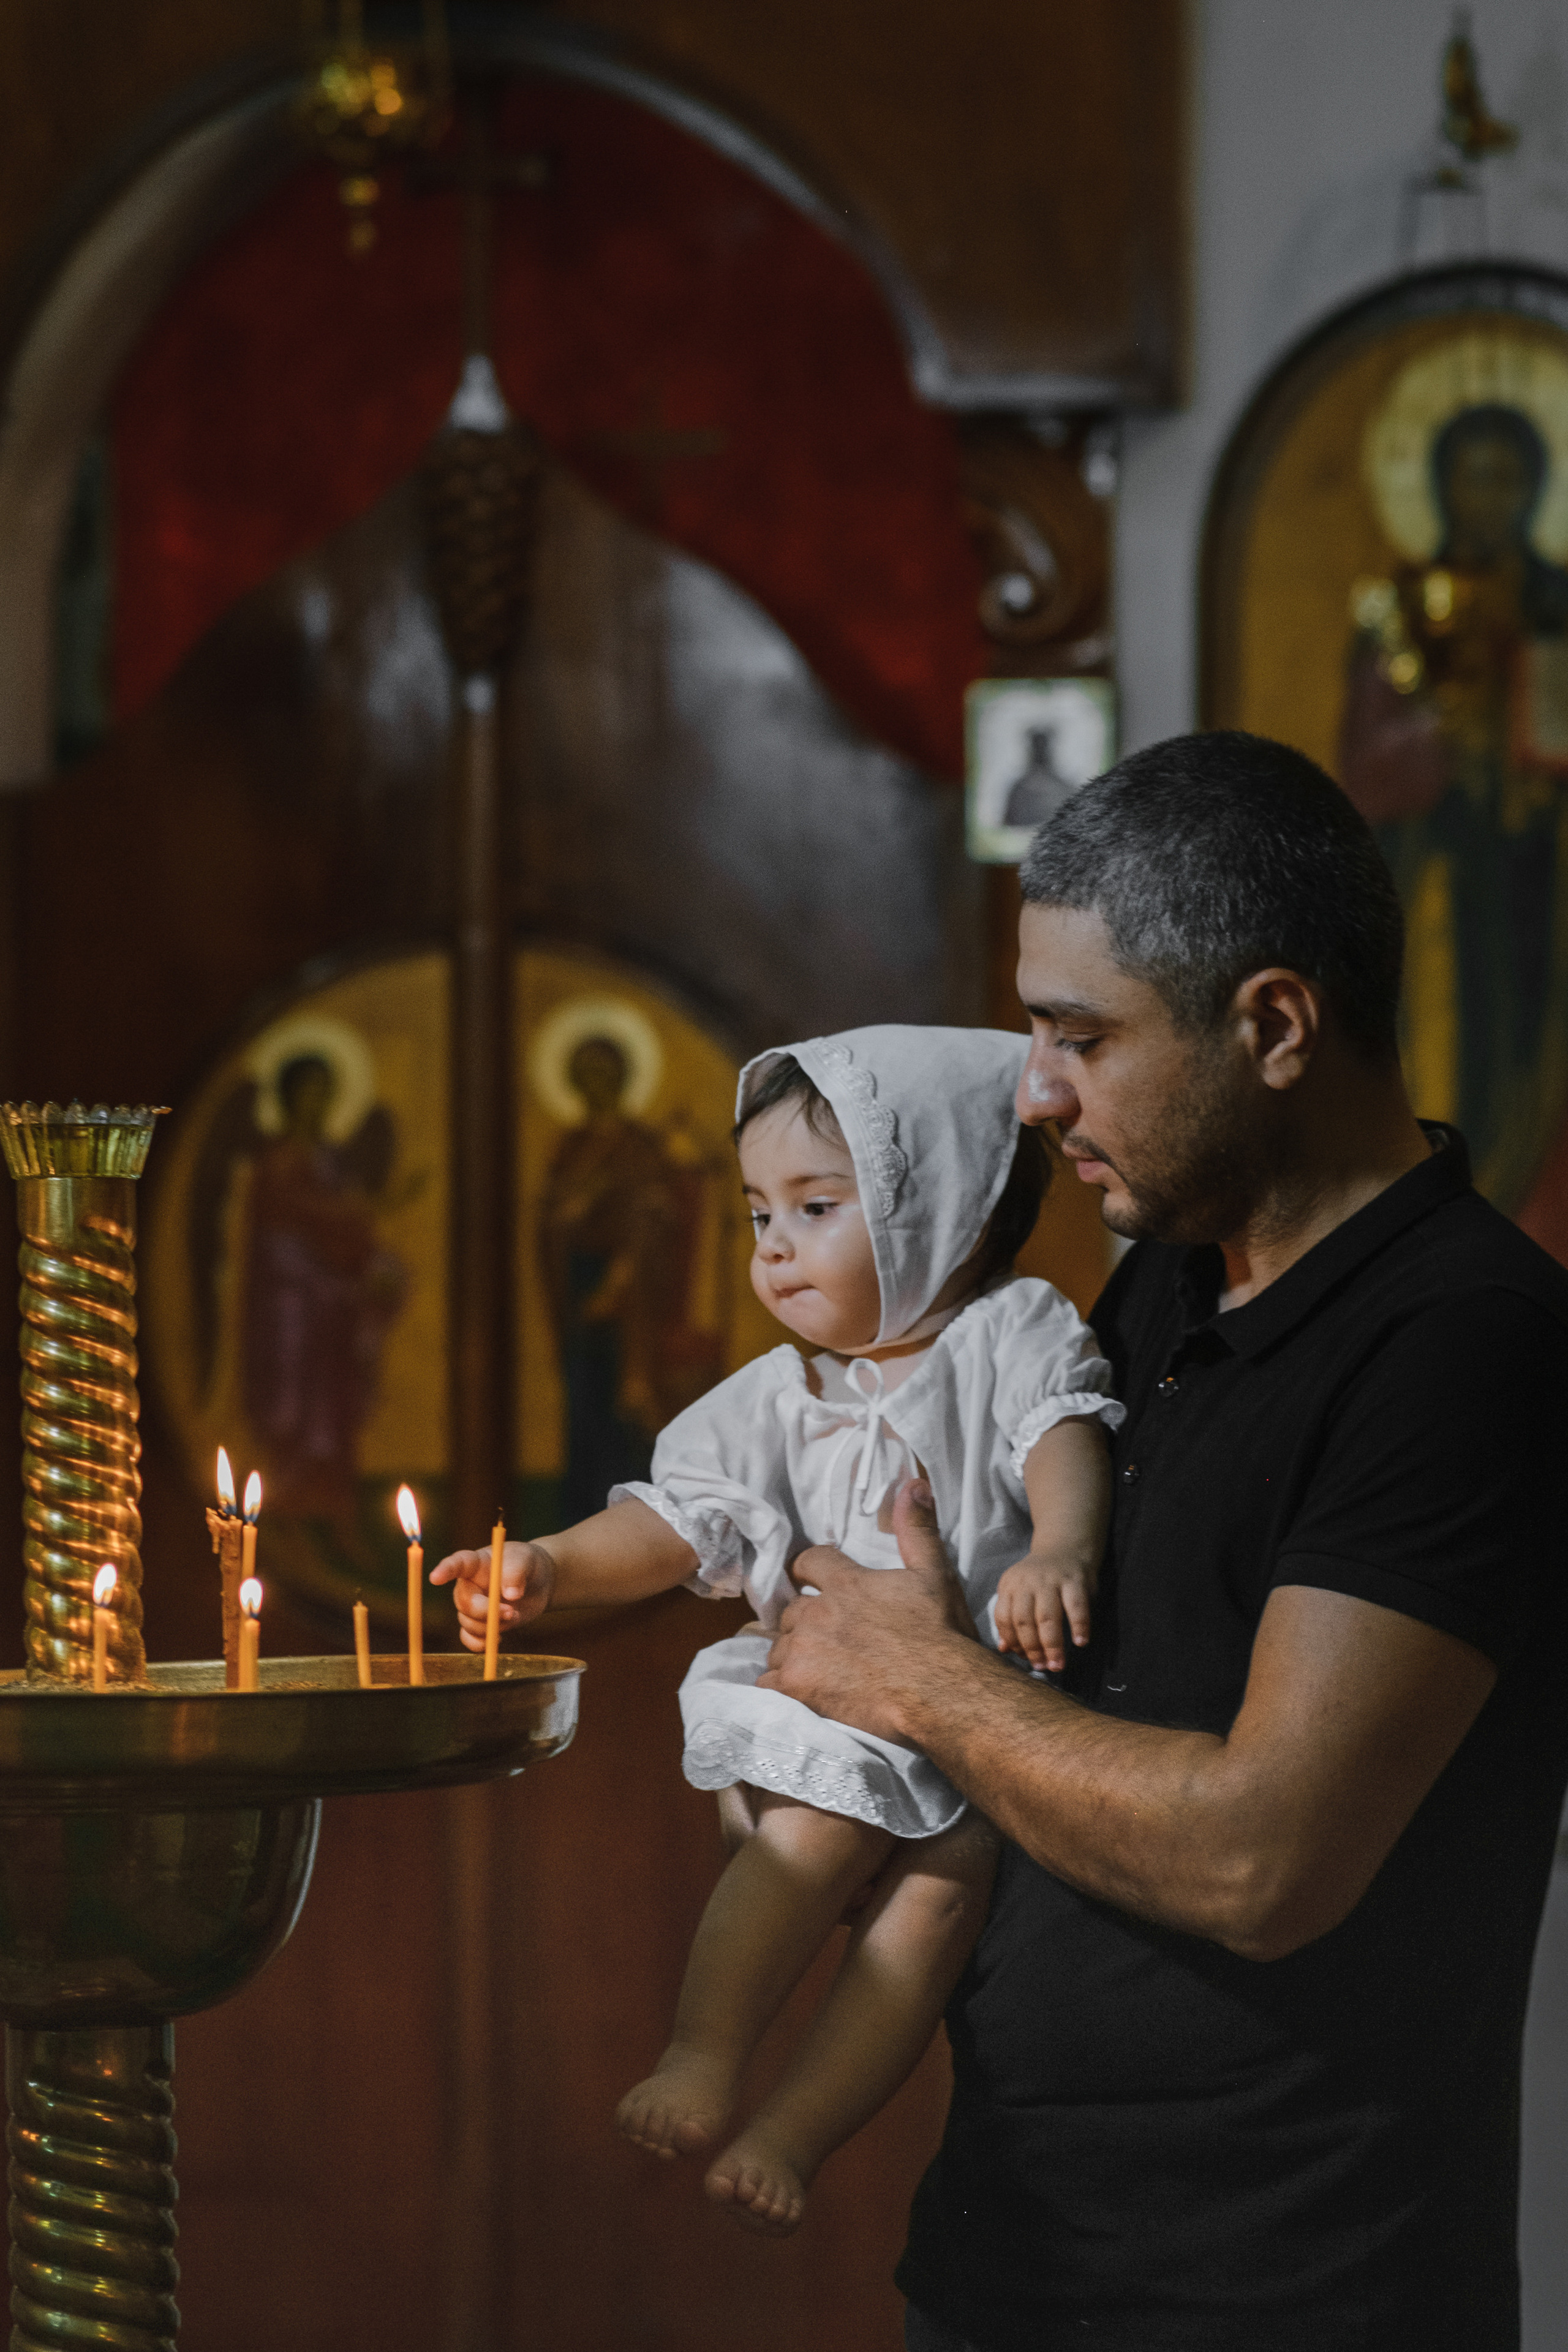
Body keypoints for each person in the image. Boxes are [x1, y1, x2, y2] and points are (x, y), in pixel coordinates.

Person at [758, 733, 1568, 2352]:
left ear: (1273, 1026)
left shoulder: (1465, 1341)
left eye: (1081, 1036)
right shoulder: (1166, 1283)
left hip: (1285, 2304)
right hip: (1015, 2266)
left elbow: (1261, 1858)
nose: (1035, 1090)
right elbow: (1081, 1715)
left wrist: (928, 1692)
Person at [435, 1025, 1121, 2233]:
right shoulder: (775, 1394)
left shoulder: (1008, 1332)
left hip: (980, 1721)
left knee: (940, 1906)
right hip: (837, 1707)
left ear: (943, 1210)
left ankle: (795, 2129)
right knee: (809, 1836)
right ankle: (706, 2050)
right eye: (757, 1215)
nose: (773, 1251)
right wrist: (547, 1566)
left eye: (814, 1207)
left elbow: (1060, 1432)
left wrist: (1060, 1546)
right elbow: (675, 1521)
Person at [1339, 402, 1568, 1207]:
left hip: (1542, 874)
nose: (1488, 499)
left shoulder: (1556, 604)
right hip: (1434, 870)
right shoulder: (1399, 608)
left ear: (1535, 490)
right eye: (1471, 479)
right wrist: (1441, 740)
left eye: (1506, 479)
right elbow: (1366, 765)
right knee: (1444, 1039)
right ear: (1440, 489)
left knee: (1528, 1047)